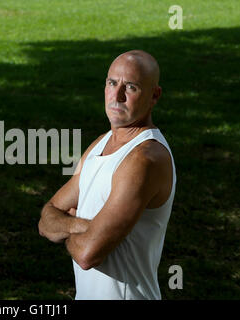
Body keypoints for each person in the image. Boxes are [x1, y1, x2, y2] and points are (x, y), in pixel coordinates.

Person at [38, 50, 176, 300]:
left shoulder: (145, 159)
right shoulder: (100, 144)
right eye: (112, 83)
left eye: (131, 87)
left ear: (154, 95)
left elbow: (88, 254)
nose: (117, 95)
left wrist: (72, 227)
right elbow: (47, 218)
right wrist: (85, 227)